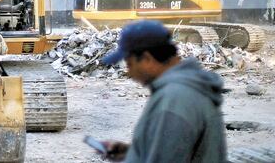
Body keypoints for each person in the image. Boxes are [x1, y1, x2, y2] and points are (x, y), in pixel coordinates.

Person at [97, 20, 227, 162]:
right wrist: (134, 152)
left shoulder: (175, 98)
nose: (129, 72)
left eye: (130, 64)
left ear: (147, 59)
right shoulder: (185, 89)